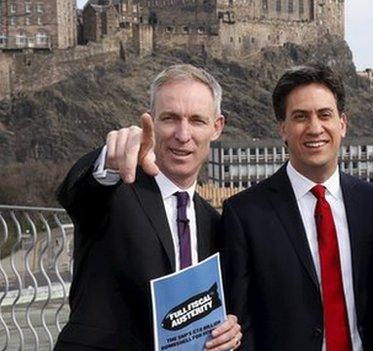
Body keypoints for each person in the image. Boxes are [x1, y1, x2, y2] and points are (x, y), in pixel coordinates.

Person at [55, 64, 241, 351]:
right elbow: (77, 194)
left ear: (217, 127)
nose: (182, 134)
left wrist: (229, 330)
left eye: (197, 121)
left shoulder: (215, 223)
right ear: (150, 121)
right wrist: (109, 161)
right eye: (169, 118)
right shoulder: (115, 190)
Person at [221, 63, 373, 351]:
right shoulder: (245, 214)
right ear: (283, 129)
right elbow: (241, 320)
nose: (315, 128)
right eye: (300, 117)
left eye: (325, 115)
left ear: (342, 123)